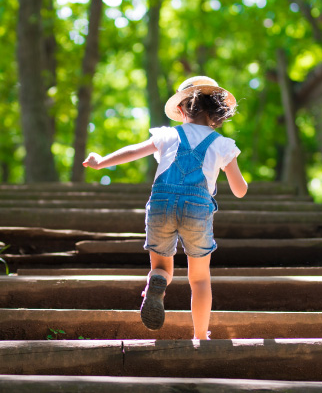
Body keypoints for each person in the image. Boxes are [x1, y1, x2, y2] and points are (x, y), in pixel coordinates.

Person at [82, 76, 248, 340]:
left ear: (181, 111)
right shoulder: (222, 145)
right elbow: (240, 191)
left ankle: (158, 281)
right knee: (200, 278)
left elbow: (134, 150)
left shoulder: (168, 135)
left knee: (161, 266)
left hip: (161, 204)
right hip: (197, 209)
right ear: (217, 114)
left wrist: (101, 162)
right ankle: (200, 335)